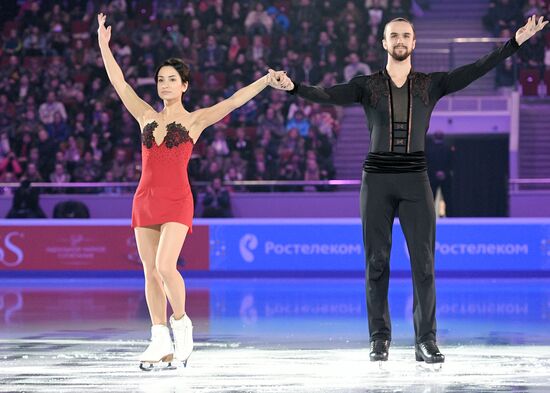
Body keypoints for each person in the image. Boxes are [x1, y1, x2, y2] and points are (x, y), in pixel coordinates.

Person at [272, 15, 548, 365]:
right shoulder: (366, 84)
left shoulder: (431, 84)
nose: (400, 40)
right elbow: (328, 95)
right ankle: (379, 338)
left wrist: (515, 43)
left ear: (414, 43)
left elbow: (478, 68)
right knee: (376, 262)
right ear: (384, 43)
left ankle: (426, 341)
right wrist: (293, 87)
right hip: (376, 178)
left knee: (424, 265)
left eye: (406, 35)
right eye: (394, 36)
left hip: (415, 178)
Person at [97, 13, 282, 370]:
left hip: (178, 200)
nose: (164, 85)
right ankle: (158, 340)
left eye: (172, 80)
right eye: (161, 80)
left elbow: (233, 101)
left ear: (184, 86)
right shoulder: (145, 116)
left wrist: (265, 80)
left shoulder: (195, 120)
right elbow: (119, 83)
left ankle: (182, 327)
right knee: (150, 272)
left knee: (167, 266)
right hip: (144, 200)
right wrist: (105, 46)